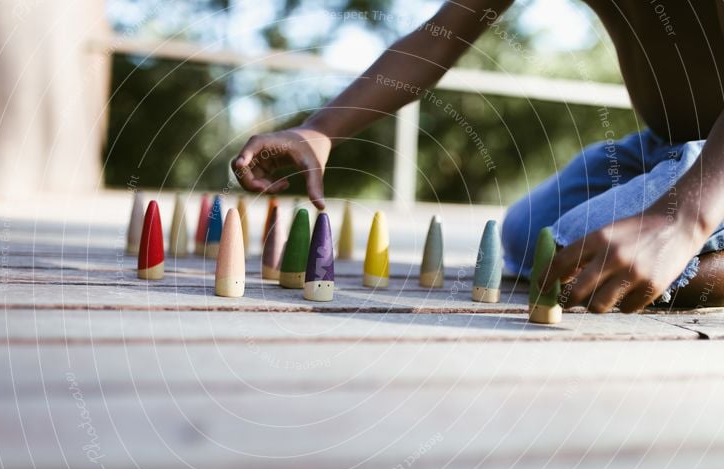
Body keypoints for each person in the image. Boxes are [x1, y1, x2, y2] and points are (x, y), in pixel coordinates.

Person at [231, 0, 724, 312]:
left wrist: (682, 220)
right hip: (666, 145)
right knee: (532, 238)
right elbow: (439, 35)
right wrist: (322, 129)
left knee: (584, 250)